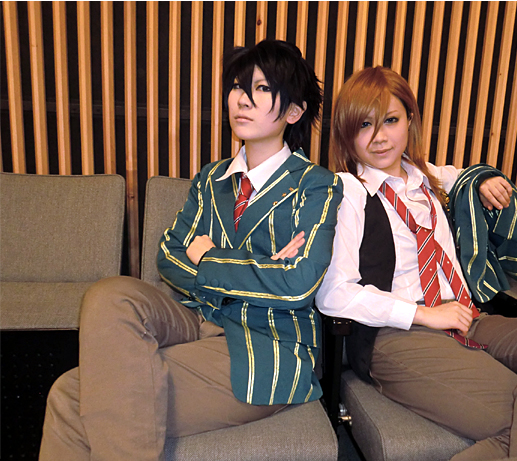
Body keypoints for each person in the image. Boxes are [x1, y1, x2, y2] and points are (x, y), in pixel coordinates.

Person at [40, 40, 342, 460]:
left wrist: (210, 257)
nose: (242, 99)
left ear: (293, 112)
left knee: (70, 395)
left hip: (266, 344)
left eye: (261, 89)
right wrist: (258, 269)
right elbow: (169, 255)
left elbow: (296, 285)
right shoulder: (211, 178)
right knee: (110, 295)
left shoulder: (316, 185)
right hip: (195, 319)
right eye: (238, 87)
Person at [315, 66, 517, 460]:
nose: (380, 137)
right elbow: (333, 295)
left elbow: (459, 175)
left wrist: (481, 178)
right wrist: (425, 315)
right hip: (399, 334)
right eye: (365, 125)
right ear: (347, 133)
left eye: (391, 120)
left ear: (410, 120)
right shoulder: (347, 191)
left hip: (468, 317)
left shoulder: (426, 178)